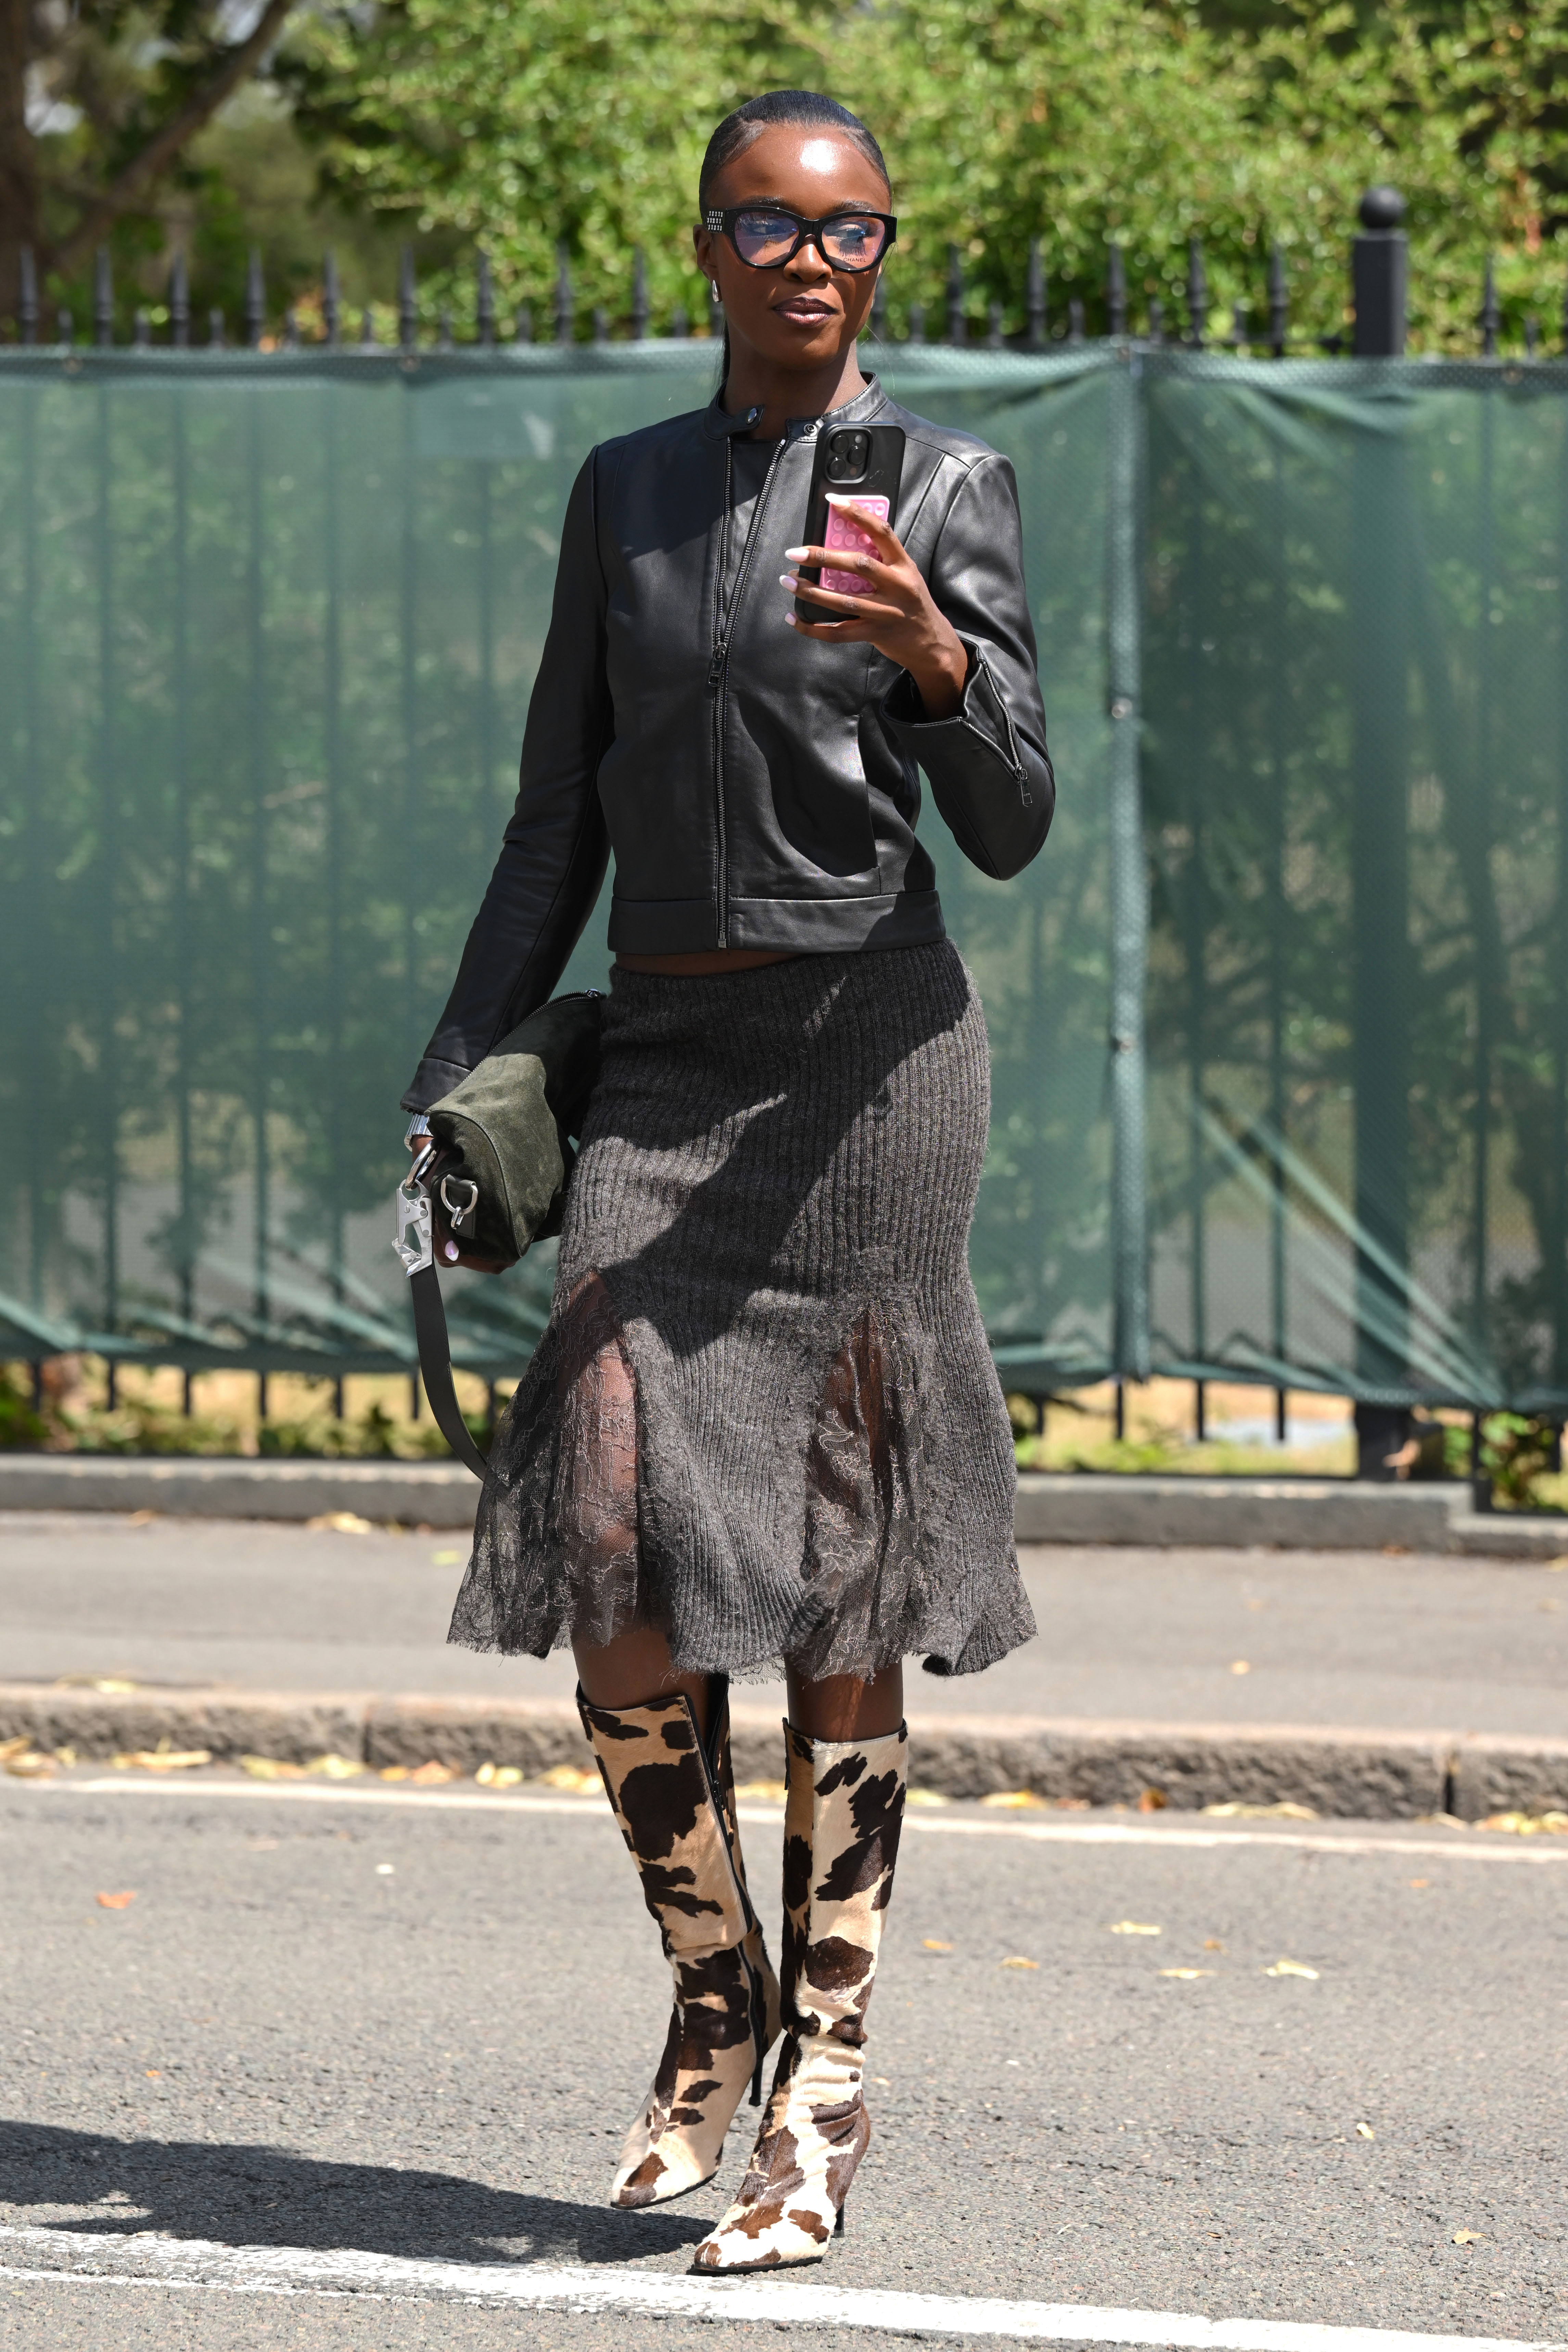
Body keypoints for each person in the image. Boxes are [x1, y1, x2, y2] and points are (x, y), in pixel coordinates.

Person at [400, 88, 1054, 2272]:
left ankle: (827, 2087)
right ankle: (714, 1987)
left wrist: (941, 666)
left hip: (867, 1072)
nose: (806, 257)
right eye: (766, 223)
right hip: (665, 1067)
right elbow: (546, 820)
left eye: (847, 227)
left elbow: (1016, 817)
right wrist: (457, 1065)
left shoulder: (949, 487)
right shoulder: (630, 494)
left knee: (845, 1581)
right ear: (701, 245)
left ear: (885, 254)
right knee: (608, 1539)